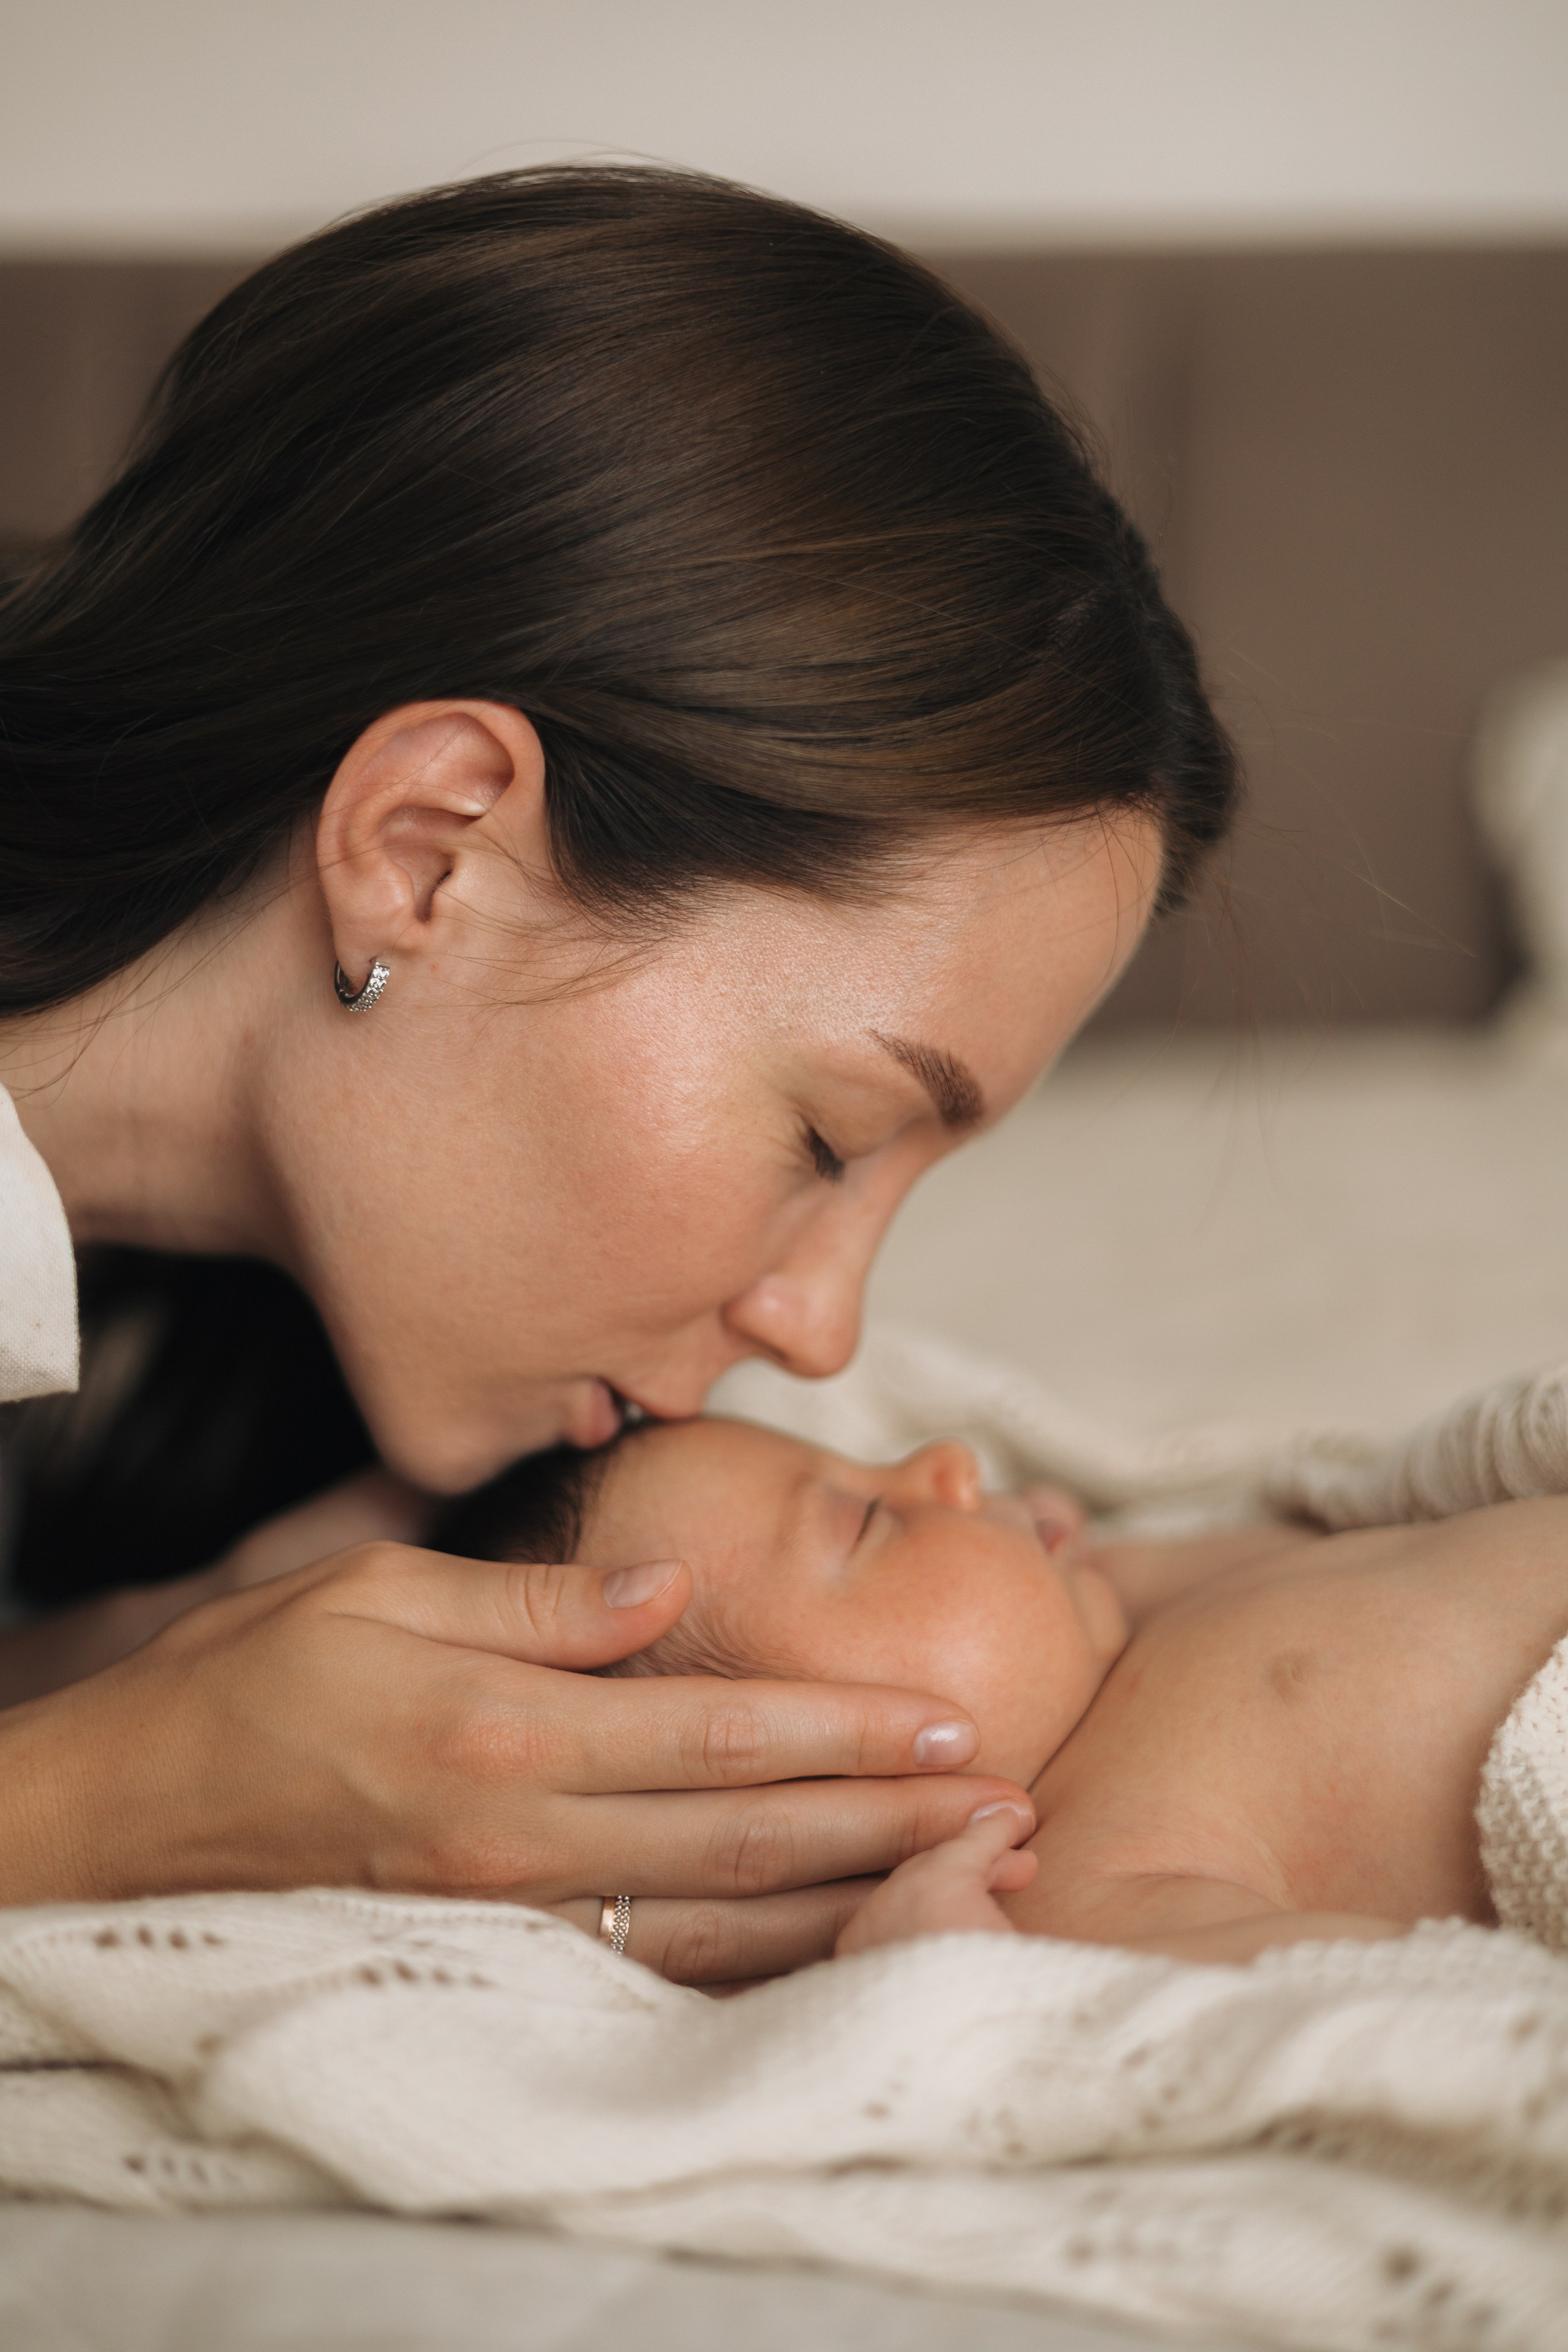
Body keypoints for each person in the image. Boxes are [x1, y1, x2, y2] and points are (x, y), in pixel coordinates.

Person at [0, 164, 1233, 1973]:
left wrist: (177, 1652)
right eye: (829, 1136)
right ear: (430, 853)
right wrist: (108, 1799)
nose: (823, 1333)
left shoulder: (192, 1362)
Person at [432, 1413, 1567, 1969]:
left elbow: (1392, 1496)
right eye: (867, 1516)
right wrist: (947, 1975)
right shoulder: (1069, 1884)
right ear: (775, 1781)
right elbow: (1371, 2001)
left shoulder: (1122, 1592)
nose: (946, 1464)